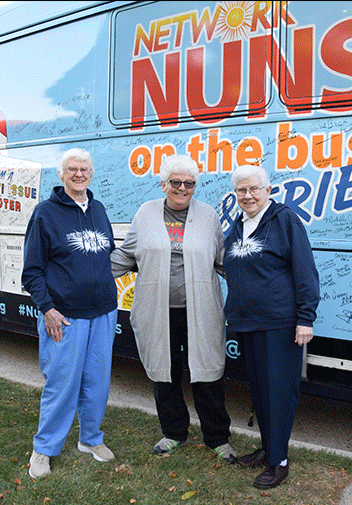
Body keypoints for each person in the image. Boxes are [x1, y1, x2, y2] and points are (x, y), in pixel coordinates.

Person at [109, 154, 236, 463]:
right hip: (159, 311)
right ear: (163, 184)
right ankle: (173, 432)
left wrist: (257, 280)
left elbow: (223, 259)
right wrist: (86, 272)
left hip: (200, 310)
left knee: (207, 374)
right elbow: (127, 255)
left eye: (189, 183)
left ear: (195, 186)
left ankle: (218, 438)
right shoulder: (146, 213)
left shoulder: (207, 216)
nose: (182, 188)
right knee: (164, 373)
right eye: (175, 182)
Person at [21, 148, 118, 479]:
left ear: (91, 174)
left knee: (97, 382)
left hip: (103, 312)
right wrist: (47, 309)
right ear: (61, 175)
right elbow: (32, 271)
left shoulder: (100, 210)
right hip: (64, 316)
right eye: (72, 169)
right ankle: (44, 449)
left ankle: (90, 439)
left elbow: (108, 255)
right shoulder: (45, 214)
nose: (79, 174)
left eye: (85, 169)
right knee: (61, 383)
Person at [222, 164, 320, 489]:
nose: (247, 196)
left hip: (279, 323)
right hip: (248, 323)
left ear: (268, 191)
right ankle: (268, 449)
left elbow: (305, 269)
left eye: (254, 189)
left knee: (279, 392)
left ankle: (280, 461)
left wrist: (306, 317)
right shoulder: (238, 225)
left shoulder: (285, 221)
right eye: (241, 191)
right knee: (261, 391)